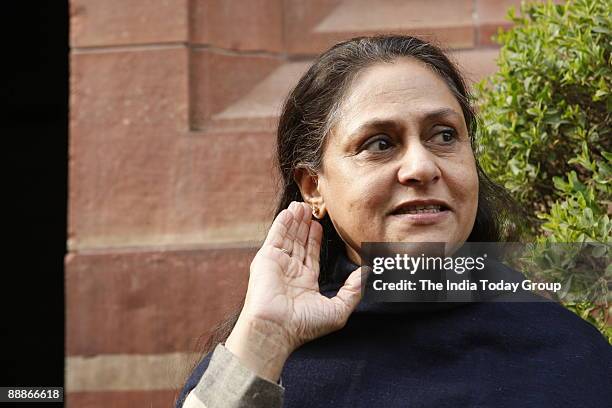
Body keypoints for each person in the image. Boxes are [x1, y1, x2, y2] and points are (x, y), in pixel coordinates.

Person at [175, 35, 611, 408]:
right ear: (313, 188)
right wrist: (264, 341)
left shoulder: (566, 352)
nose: (421, 167)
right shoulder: (267, 368)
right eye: (380, 143)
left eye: (444, 136)